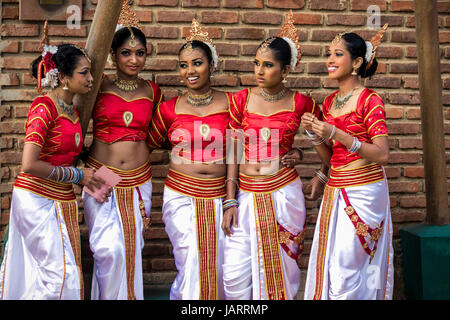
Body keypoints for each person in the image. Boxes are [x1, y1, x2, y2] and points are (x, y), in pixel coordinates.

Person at [221, 11, 330, 300]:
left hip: (284, 195)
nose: (259, 70)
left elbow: (327, 151)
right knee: (233, 276)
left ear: (285, 70)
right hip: (245, 196)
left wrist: (317, 168)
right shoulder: (240, 100)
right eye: (256, 63)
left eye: (268, 65)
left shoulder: (302, 103)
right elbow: (232, 152)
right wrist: (230, 199)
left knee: (282, 274)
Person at [0, 22, 104, 299]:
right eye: (84, 73)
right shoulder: (44, 107)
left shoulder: (71, 109)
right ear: (64, 78)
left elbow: (65, 154)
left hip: (61, 200)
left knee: (55, 274)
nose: (91, 78)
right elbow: (29, 164)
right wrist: (78, 177)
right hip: (36, 200)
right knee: (61, 276)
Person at [303, 24, 394, 300]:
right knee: (332, 267)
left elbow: (382, 154)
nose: (330, 60)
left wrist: (337, 134)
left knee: (346, 266)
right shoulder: (329, 102)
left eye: (338, 54)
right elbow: (331, 159)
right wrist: (314, 135)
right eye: (329, 54)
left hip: (364, 191)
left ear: (356, 62)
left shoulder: (370, 100)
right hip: (336, 192)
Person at [82, 3, 163, 300]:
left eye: (140, 53)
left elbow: (157, 133)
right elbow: (75, 130)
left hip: (139, 178)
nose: (134, 59)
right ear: (113, 54)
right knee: (107, 250)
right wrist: (84, 171)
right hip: (102, 174)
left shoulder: (152, 91)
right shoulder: (96, 86)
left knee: (130, 249)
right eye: (126, 53)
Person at [147, 19, 232, 300]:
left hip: (222, 197)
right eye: (183, 65)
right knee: (193, 260)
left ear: (212, 64)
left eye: (197, 63)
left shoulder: (232, 104)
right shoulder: (168, 109)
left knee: (221, 265)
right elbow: (140, 150)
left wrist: (295, 154)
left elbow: (249, 147)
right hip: (181, 196)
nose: (190, 71)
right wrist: (105, 177)